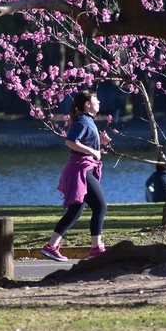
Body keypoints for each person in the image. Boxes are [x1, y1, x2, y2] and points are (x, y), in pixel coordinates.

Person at [41, 90, 112, 262]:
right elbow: (70, 141)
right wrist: (93, 150)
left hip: (82, 168)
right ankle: (96, 249)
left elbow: (83, 143)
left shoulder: (88, 121)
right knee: (100, 206)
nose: (99, 102)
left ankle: (51, 246)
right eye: (96, 99)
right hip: (80, 170)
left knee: (76, 211)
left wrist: (99, 143)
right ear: (87, 104)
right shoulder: (83, 121)